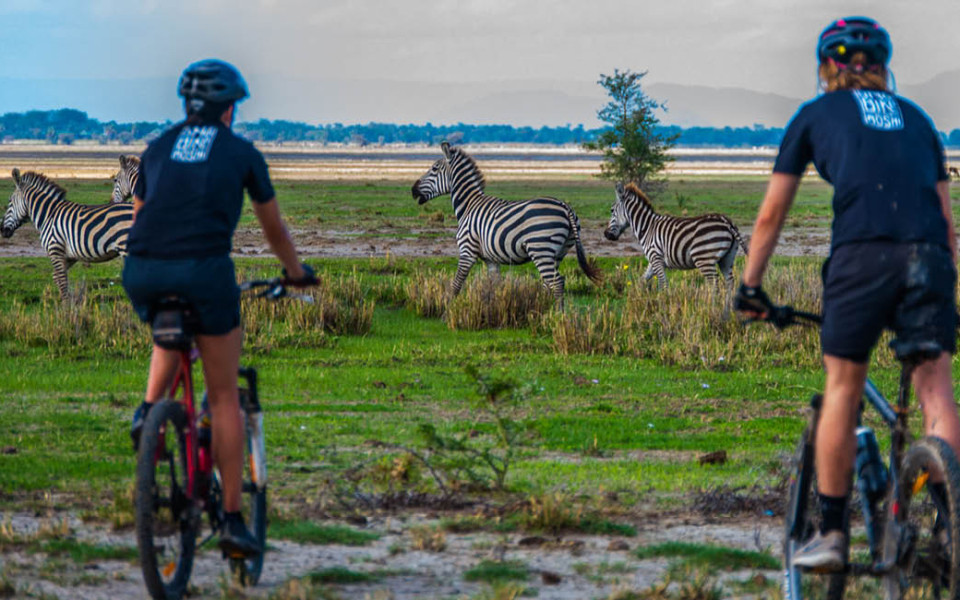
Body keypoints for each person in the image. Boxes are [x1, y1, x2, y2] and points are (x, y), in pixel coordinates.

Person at [735, 17, 959, 570]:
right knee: (936, 393)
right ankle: (951, 527)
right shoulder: (920, 120)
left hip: (862, 257)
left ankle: (833, 535)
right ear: (884, 68)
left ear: (825, 68)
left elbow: (770, 214)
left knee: (843, 385)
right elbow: (947, 224)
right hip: (928, 258)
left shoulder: (814, 115)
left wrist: (750, 287)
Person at [122, 59, 314, 557]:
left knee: (169, 323)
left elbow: (142, 220)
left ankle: (148, 413)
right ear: (230, 108)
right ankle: (231, 520)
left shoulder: (156, 149)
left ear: (187, 105)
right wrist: (295, 271)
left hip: (142, 271)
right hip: (204, 274)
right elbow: (273, 228)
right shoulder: (241, 152)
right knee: (224, 394)